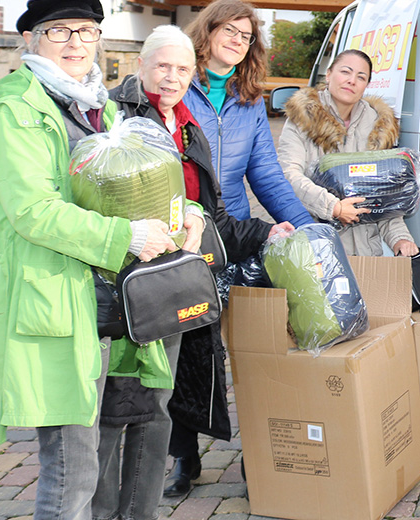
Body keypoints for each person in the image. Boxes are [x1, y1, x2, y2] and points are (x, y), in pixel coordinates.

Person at [0, 0, 177, 520]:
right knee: (72, 473)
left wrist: (176, 215)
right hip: (55, 301)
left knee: (90, 458)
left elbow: (130, 182)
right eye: (59, 31)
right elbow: (32, 211)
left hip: (102, 300)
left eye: (87, 30)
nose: (75, 43)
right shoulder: (18, 107)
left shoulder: (97, 106)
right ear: (31, 39)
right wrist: (126, 238)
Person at [96, 26, 290, 520]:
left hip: (178, 277)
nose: (172, 78)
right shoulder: (116, 117)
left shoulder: (187, 127)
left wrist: (265, 233)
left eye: (181, 70)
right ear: (141, 66)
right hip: (125, 282)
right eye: (163, 66)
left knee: (160, 400)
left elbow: (214, 209)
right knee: (114, 410)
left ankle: (149, 494)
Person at [166, 0, 311, 499]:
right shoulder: (177, 87)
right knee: (187, 347)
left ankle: (259, 455)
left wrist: (307, 226)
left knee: (255, 346)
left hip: (237, 237)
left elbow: (266, 174)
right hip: (183, 239)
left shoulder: (249, 101)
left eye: (246, 35)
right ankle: (183, 457)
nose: (236, 40)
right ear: (206, 33)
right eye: (229, 29)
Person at [278, 49, 419, 257]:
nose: (352, 81)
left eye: (361, 77)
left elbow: (384, 195)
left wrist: (400, 238)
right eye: (346, 72)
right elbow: (288, 175)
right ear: (328, 74)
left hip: (367, 253)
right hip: (318, 249)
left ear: (366, 85)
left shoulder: (378, 126)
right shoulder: (303, 119)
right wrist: (332, 207)